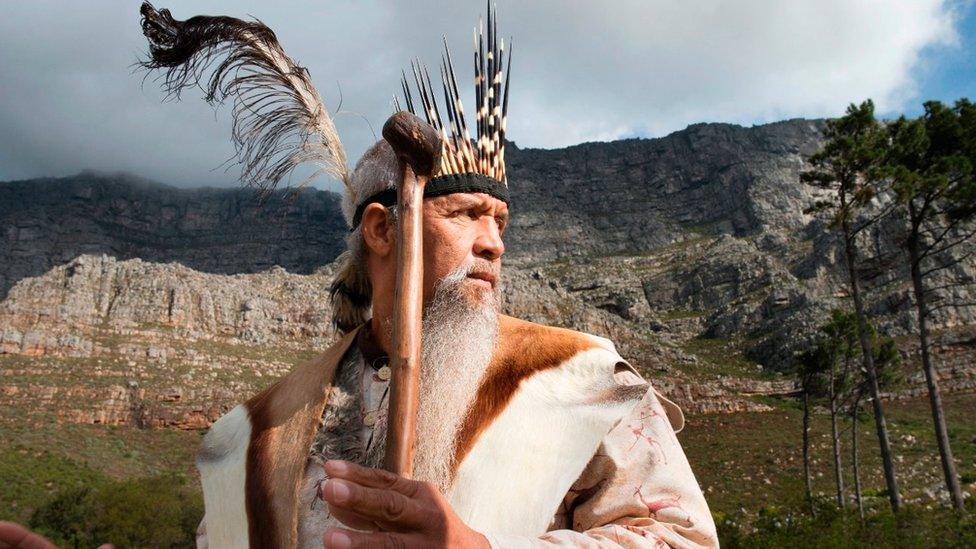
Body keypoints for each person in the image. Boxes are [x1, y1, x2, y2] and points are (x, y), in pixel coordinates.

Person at [0, 4, 719, 548]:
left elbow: (683, 538)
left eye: (501, 220)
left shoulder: (582, 376)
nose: (494, 241)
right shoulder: (261, 427)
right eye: (467, 213)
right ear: (382, 229)